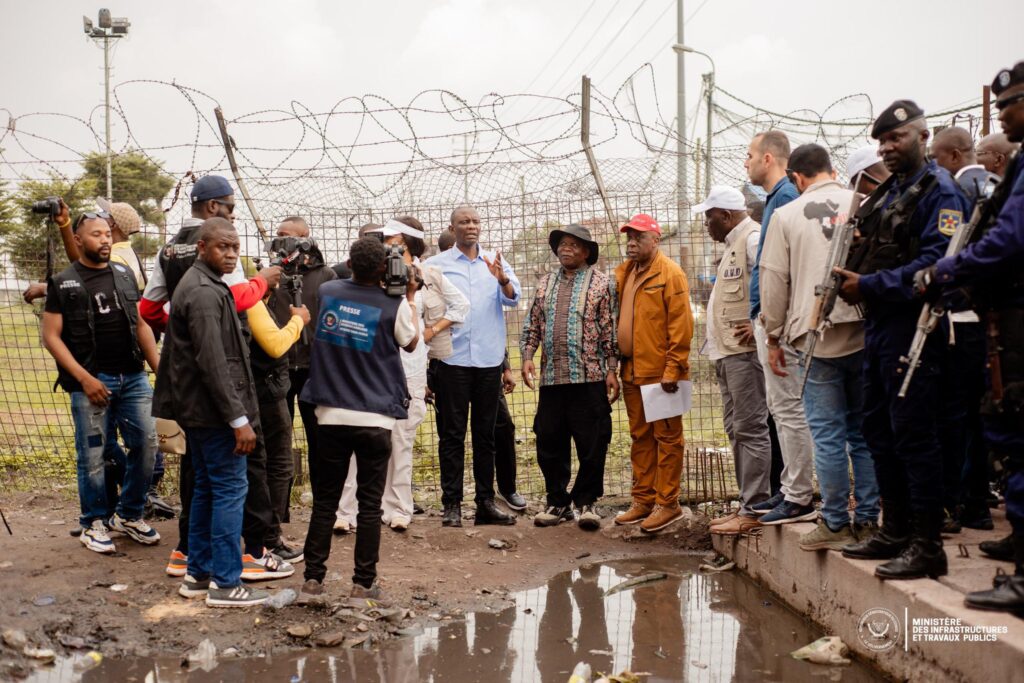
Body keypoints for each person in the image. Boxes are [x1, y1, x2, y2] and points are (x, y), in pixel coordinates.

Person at [835, 100, 971, 580]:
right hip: (880, 326)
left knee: (914, 433)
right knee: (878, 428)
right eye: (883, 142)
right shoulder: (891, 192)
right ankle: (894, 530)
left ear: (922, 136)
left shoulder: (942, 193)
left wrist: (869, 285)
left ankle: (927, 542)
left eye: (897, 138)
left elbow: (939, 264)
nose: (889, 148)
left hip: (916, 326)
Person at [914, 62, 1024, 613]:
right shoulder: (1008, 173)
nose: (1003, 113)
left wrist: (946, 273)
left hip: (1000, 319)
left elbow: (1006, 240)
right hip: (997, 317)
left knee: (1003, 425)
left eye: (1010, 104)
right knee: (998, 426)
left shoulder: (965, 187)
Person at [140, 175, 282, 578]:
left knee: (199, 476)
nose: (232, 248)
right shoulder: (210, 279)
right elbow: (234, 300)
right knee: (233, 480)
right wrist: (261, 282)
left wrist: (176, 324)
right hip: (219, 385)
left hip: (182, 379)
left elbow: (149, 311)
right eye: (231, 208)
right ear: (213, 208)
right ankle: (235, 568)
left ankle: (191, 559)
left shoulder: (169, 252)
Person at [760, 143, 880, 550]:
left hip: (815, 336)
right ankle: (868, 519)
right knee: (863, 432)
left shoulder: (785, 214)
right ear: (831, 169)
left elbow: (774, 280)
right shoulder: (863, 200)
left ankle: (833, 521)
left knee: (828, 433)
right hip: (865, 328)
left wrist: (773, 336)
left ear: (796, 177)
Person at [153, 218, 268, 607]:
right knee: (230, 489)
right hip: (215, 414)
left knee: (205, 487)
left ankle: (198, 574)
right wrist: (239, 419)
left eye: (235, 247)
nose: (232, 254)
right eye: (223, 247)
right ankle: (225, 582)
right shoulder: (202, 291)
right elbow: (213, 362)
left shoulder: (205, 284)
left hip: (200, 411)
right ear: (202, 248)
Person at [297, 236, 419, 604]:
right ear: (385, 268)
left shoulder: (330, 291)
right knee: (369, 505)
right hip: (375, 418)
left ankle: (312, 583)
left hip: (330, 413)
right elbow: (411, 343)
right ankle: (362, 584)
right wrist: (409, 296)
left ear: (349, 263)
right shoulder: (393, 304)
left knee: (325, 502)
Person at [335, 217, 468, 533]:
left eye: (392, 240)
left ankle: (398, 509)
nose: (385, 244)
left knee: (401, 439)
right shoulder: (373, 274)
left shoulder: (429, 275)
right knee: (358, 439)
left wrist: (430, 331)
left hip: (408, 370)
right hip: (369, 369)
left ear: (408, 245)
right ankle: (346, 512)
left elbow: (460, 306)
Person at [41, 210, 161, 554]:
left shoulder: (123, 274)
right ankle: (92, 523)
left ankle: (129, 515)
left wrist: (160, 371)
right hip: (91, 382)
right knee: (92, 455)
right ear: (78, 240)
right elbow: (51, 337)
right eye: (96, 234)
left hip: (134, 377)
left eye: (107, 233)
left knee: (148, 444)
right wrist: (84, 378)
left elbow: (140, 326)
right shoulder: (64, 282)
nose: (105, 240)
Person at [423, 205, 521, 528]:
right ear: (452, 227)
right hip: (451, 361)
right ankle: (451, 505)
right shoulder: (435, 265)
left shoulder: (495, 262)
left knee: (486, 435)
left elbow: (512, 298)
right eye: (464, 222)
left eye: (476, 221)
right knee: (451, 435)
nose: (471, 226)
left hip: (488, 361)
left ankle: (485, 503)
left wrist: (503, 279)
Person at [520, 224, 618, 530]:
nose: (566, 249)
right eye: (562, 244)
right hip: (552, 378)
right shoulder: (544, 283)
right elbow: (532, 324)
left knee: (593, 442)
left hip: (589, 377)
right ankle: (557, 502)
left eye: (574, 245)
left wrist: (612, 369)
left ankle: (587, 503)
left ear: (586, 252)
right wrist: (526, 357)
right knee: (549, 439)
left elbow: (609, 331)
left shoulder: (602, 284)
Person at [745, 131, 817, 523]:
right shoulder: (777, 199)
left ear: (769, 158)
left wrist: (775, 325)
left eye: (750, 155)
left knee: (789, 409)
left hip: (783, 323)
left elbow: (785, 267)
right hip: (771, 319)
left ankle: (800, 496)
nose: (747, 162)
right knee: (781, 407)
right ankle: (791, 490)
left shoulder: (787, 197)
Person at [930, 126, 999, 533]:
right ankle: (979, 505)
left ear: (954, 156)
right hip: (994, 323)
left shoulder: (954, 192)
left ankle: (954, 503)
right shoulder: (999, 187)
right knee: (983, 416)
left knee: (951, 417)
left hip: (957, 319)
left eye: (936, 157)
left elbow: (946, 255)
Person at [695, 188, 772, 537]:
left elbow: (775, 280)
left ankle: (756, 507)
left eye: (708, 216)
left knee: (751, 427)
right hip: (726, 351)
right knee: (736, 427)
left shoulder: (753, 239)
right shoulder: (731, 246)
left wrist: (759, 322)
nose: (705, 224)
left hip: (744, 354)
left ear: (725, 215)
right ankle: (748, 504)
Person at [613, 214, 694, 533]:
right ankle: (643, 500)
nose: (632, 242)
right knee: (640, 438)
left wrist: (674, 367)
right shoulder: (626, 273)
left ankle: (667, 503)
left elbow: (681, 325)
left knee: (667, 439)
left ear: (655, 240)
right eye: (629, 237)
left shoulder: (670, 274)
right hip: (632, 371)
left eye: (639, 237)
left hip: (662, 375)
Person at [270, 217, 337, 512]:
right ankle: (278, 511)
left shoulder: (326, 276)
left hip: (315, 371)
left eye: (287, 236)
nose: (280, 241)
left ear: (305, 239)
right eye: (278, 236)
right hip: (278, 367)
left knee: (321, 442)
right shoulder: (271, 275)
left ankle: (325, 508)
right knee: (278, 441)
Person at [244, 289, 310, 569]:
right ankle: (269, 539)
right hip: (267, 391)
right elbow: (275, 344)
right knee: (277, 464)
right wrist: (299, 321)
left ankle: (264, 535)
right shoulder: (249, 301)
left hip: (253, 389)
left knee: (260, 465)